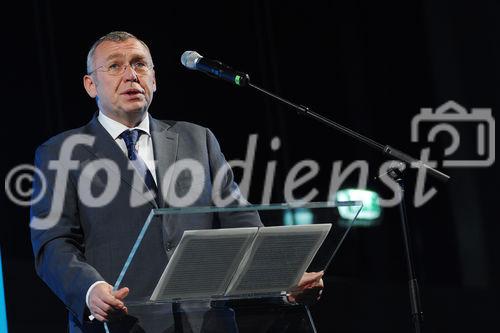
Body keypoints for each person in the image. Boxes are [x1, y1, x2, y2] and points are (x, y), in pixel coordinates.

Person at [30, 31, 323, 333]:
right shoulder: (59, 152)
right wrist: (90, 291)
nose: (131, 75)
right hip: (123, 323)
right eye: (115, 66)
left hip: (207, 323)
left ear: (154, 79)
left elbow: (243, 227)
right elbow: (53, 244)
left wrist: (282, 277)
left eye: (140, 64)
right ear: (90, 85)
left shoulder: (198, 139)